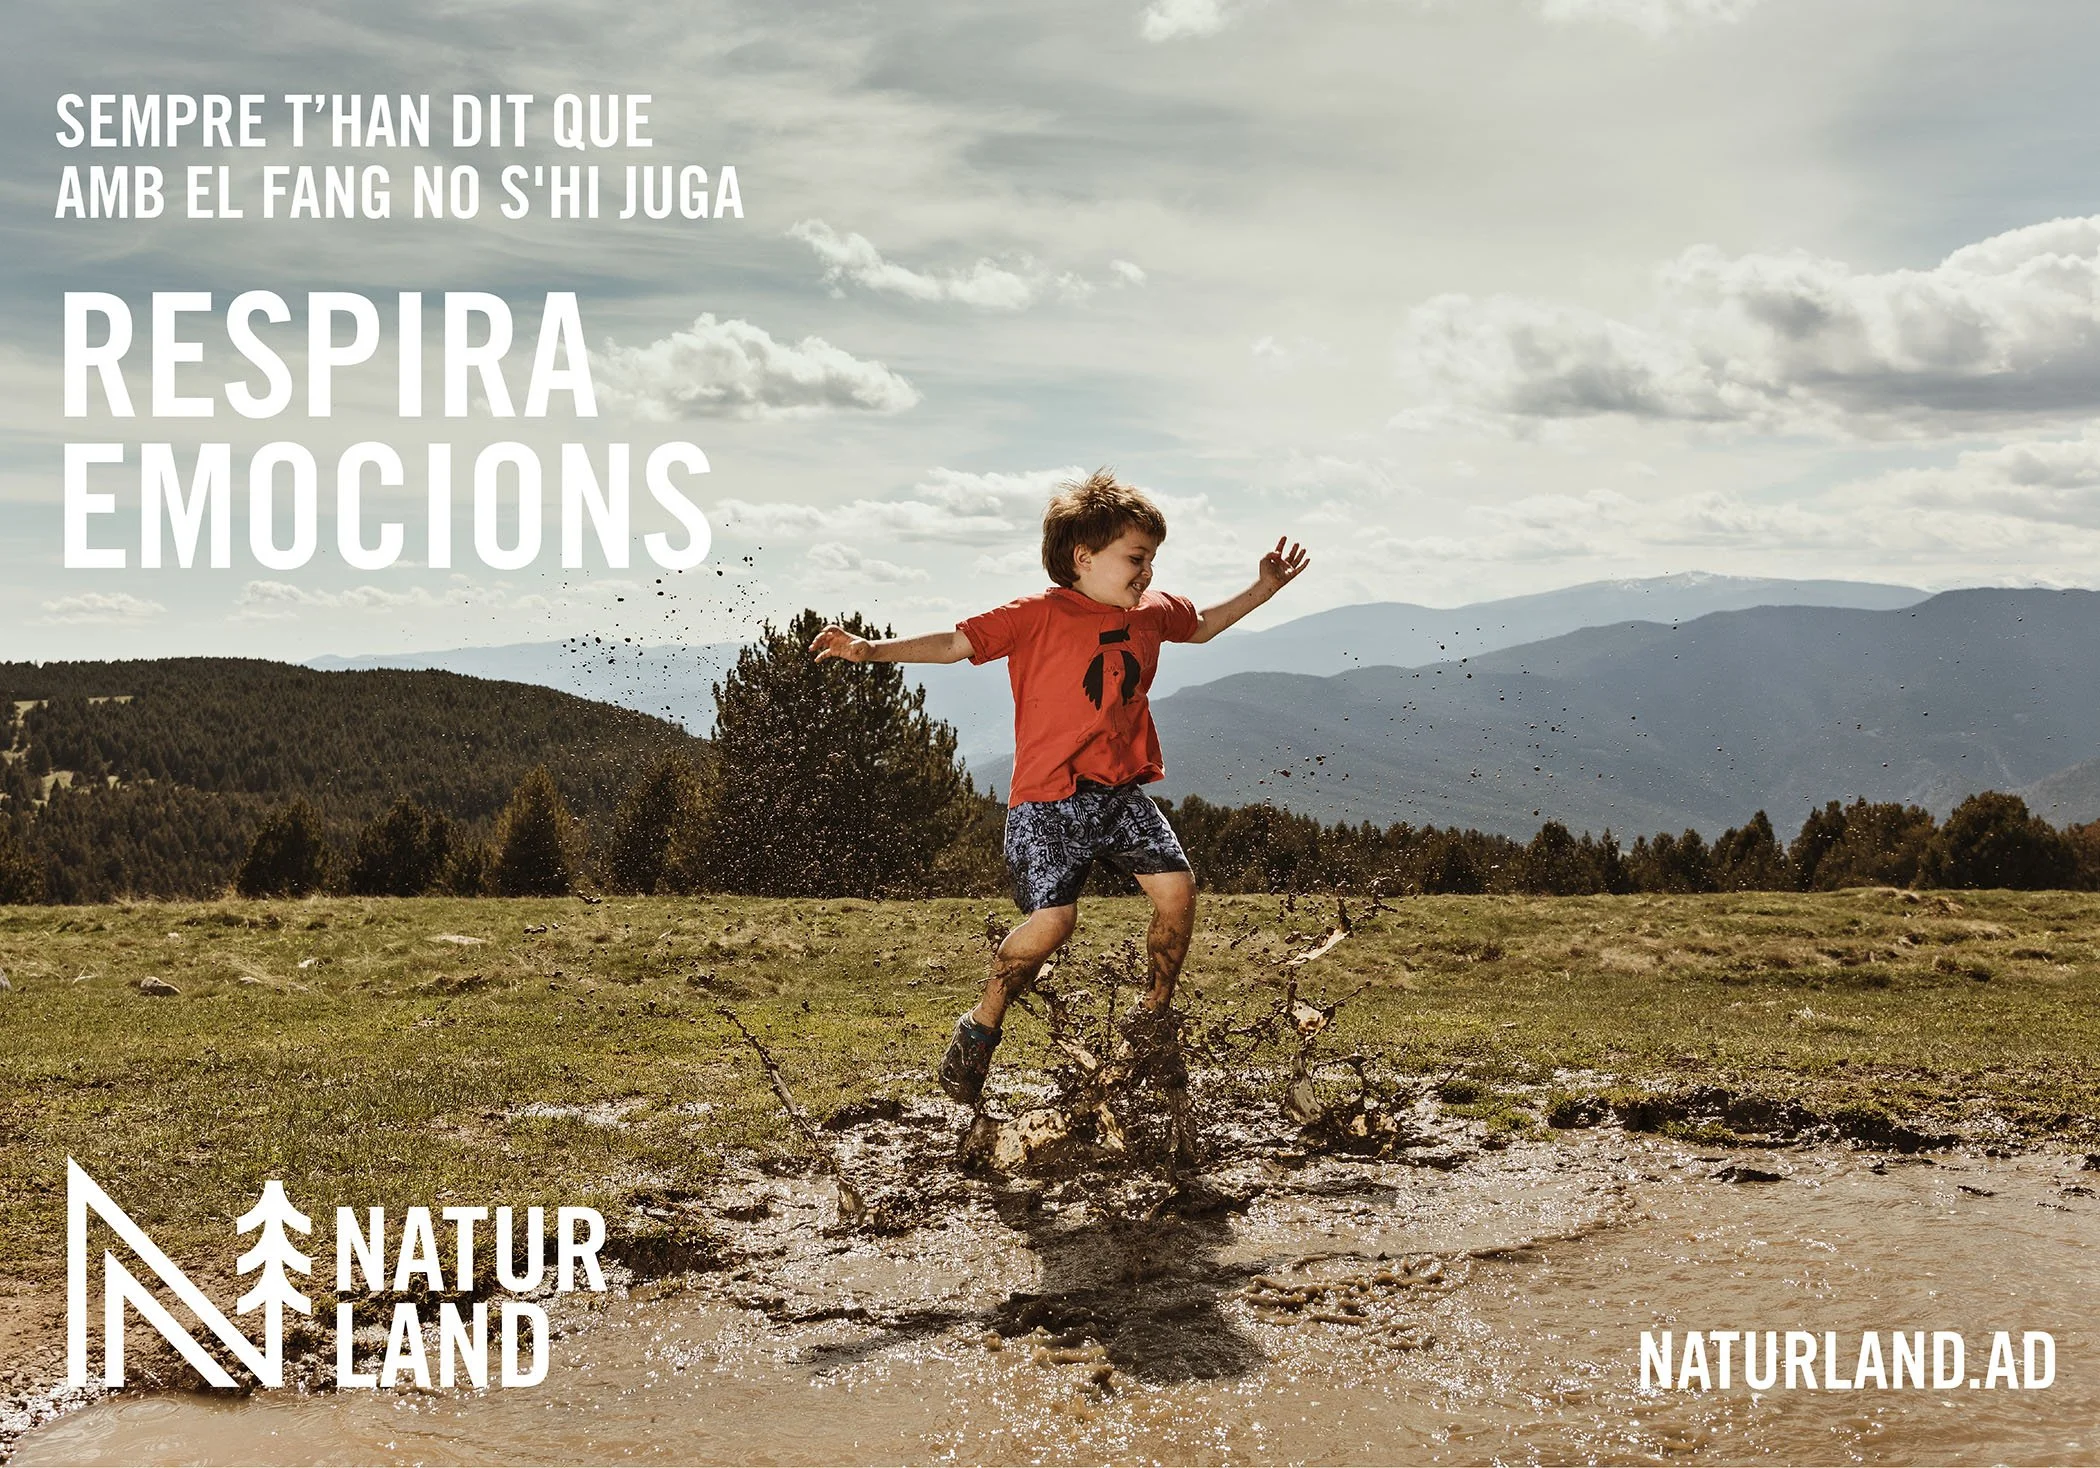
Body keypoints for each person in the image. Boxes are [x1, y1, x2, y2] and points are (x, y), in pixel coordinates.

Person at [809, 468, 1309, 1105]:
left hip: (1121, 792)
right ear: (1083, 558)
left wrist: (1263, 587)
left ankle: (1152, 1024)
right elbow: (956, 643)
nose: (1147, 572)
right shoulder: (1036, 615)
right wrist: (869, 651)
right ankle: (980, 1027)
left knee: (1177, 891)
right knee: (1054, 922)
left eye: (1152, 558)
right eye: (1136, 557)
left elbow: (1205, 624)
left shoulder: (1152, 612)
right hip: (1047, 801)